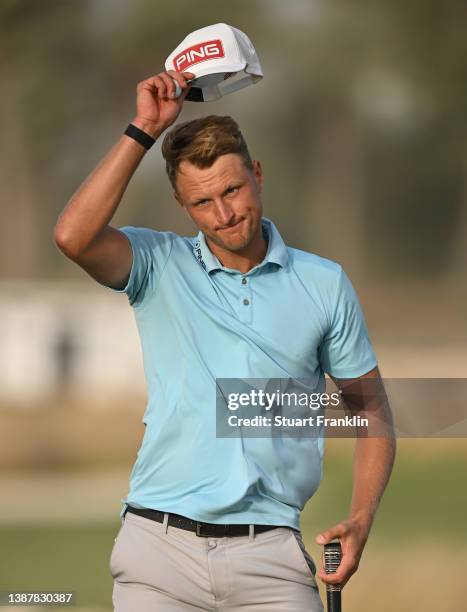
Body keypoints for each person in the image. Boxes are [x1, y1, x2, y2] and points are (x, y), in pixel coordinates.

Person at [54, 69, 396, 611]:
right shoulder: (157, 265)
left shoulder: (323, 283)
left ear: (257, 175)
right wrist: (144, 127)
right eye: (202, 203)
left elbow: (370, 412)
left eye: (233, 190)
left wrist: (359, 519)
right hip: (156, 556)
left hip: (272, 558)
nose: (224, 214)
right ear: (182, 206)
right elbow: (73, 236)